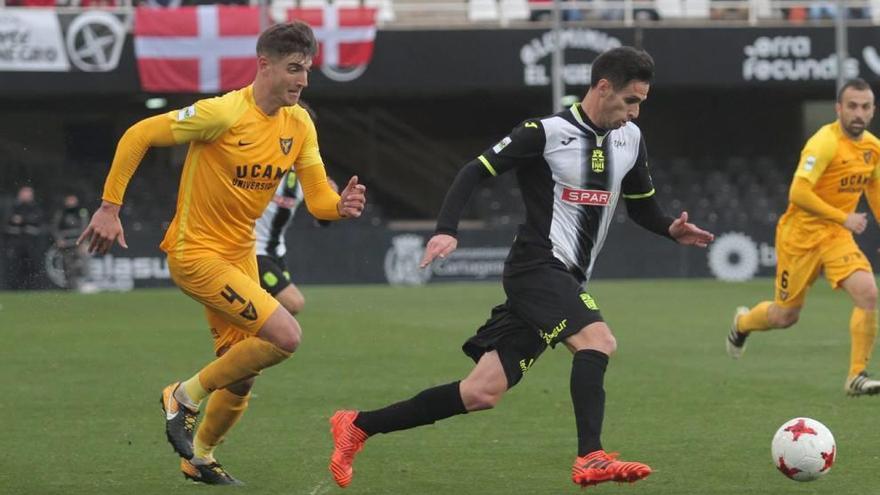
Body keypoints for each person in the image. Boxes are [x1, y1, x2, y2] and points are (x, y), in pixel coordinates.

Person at [328, 46, 714, 489]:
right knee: (598, 340)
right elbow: (473, 171)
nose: (636, 113)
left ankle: (358, 425)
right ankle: (590, 456)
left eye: (641, 102)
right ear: (603, 87)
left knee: (481, 392)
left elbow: (644, 208)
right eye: (631, 100)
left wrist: (671, 229)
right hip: (536, 266)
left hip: (565, 277)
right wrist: (446, 229)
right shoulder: (544, 133)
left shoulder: (630, 141)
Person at [77, 21, 366, 485]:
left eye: (307, 70)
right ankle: (183, 395)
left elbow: (317, 198)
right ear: (264, 65)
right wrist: (110, 208)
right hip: (196, 253)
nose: (302, 80)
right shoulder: (222, 114)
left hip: (240, 256)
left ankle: (200, 456)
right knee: (286, 336)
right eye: (294, 68)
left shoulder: (299, 122)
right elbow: (138, 135)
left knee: (243, 372)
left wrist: (340, 207)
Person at [727, 78, 880, 396]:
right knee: (785, 316)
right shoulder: (824, 142)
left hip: (836, 236)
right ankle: (742, 323)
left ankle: (856, 376)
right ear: (838, 108)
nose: (858, 113)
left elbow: (875, 189)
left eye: (865, 107)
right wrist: (844, 217)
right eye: (851, 106)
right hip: (800, 236)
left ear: (873, 111)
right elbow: (798, 191)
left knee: (868, 292)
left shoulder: (872, 148)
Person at [256, 168, 336, 315]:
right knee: (293, 303)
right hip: (252, 252)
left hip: (277, 254)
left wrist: (331, 200)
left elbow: (323, 220)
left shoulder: (306, 173)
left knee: (282, 318)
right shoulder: (261, 166)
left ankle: (245, 335)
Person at [3, 186, 44, 290]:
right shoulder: (14, 206)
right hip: (16, 243)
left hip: (31, 244)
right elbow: (7, 220)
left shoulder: (35, 207)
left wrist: (23, 220)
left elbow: (37, 219)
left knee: (32, 267)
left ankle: (32, 288)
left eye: (28, 194)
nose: (26, 196)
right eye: (24, 193)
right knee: (15, 266)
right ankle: (14, 288)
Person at [51, 193, 89, 290]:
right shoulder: (61, 213)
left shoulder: (81, 212)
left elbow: (86, 227)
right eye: (69, 200)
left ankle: (84, 284)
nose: (71, 202)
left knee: (82, 264)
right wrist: (59, 240)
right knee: (68, 265)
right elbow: (55, 228)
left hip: (78, 243)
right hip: (66, 244)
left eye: (73, 200)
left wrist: (84, 242)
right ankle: (71, 287)